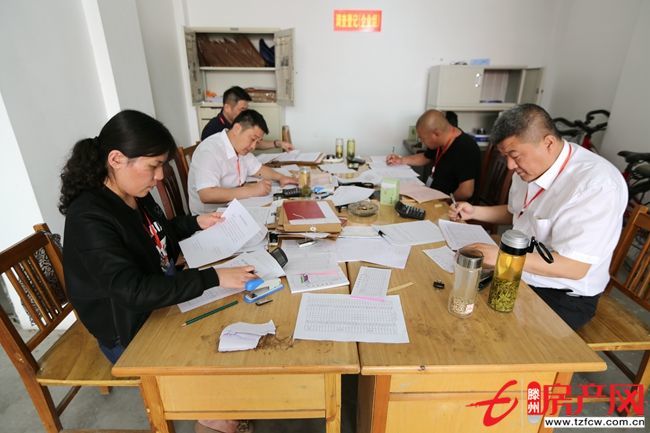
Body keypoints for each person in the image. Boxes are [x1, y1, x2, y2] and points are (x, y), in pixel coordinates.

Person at [449, 104, 627, 330]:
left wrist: (504, 258)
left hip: (561, 294)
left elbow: (574, 267)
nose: (510, 166)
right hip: (517, 273)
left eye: (514, 156)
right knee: (454, 300)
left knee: (486, 332)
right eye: (505, 156)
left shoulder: (596, 186)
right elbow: (518, 212)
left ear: (548, 143)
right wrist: (475, 212)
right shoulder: (529, 167)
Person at [188, 109, 298, 214]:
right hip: (210, 215)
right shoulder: (209, 150)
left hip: (234, 206)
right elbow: (207, 194)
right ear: (237, 129)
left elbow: (258, 169)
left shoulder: (239, 148)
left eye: (257, 142)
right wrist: (252, 190)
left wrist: (281, 177)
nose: (253, 147)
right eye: (252, 139)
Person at [386, 109, 480, 201]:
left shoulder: (465, 148)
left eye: (423, 138)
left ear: (436, 133)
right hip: (433, 194)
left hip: (450, 203)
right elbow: (426, 157)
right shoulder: (442, 139)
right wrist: (401, 160)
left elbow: (466, 192)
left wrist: (446, 202)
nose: (422, 142)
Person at [201, 85, 293, 152]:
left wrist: (278, 143)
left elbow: (253, 142)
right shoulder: (212, 130)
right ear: (227, 108)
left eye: (246, 109)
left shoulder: (238, 123)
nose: (245, 114)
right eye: (242, 109)